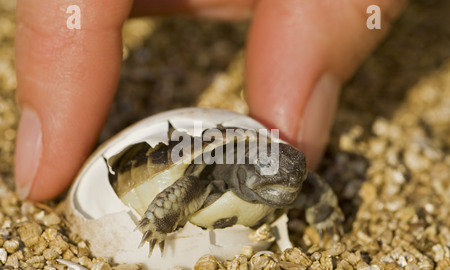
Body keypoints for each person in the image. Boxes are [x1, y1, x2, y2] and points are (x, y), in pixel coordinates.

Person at [14, 0, 408, 201]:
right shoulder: (214, 174)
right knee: (187, 185)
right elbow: (188, 183)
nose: (291, 179)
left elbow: (295, 184)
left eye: (295, 173)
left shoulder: (282, 180)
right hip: (194, 170)